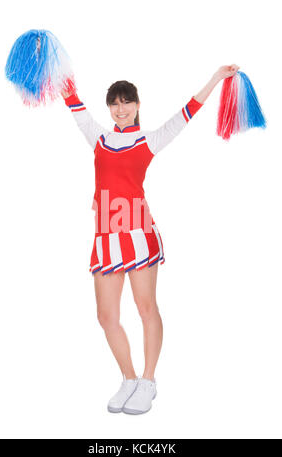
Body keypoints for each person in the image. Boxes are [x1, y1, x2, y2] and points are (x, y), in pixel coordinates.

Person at [61, 64, 240, 415]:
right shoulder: (97, 136)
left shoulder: (149, 139)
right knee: (106, 315)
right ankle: (128, 379)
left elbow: (185, 114)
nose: (121, 108)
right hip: (106, 237)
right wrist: (46, 57)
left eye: (127, 101)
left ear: (138, 104)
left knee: (146, 308)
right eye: (114, 103)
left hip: (139, 234)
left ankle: (148, 380)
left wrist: (217, 78)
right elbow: (71, 99)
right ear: (109, 108)